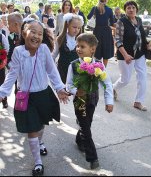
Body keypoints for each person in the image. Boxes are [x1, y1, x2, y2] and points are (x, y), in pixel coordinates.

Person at [0, 19, 69, 176]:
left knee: (40, 125)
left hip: (43, 94)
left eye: (40, 33)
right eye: (33, 32)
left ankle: (40, 141)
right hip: (26, 97)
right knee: (32, 128)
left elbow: (52, 71)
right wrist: (2, 93)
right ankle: (38, 162)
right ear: (24, 33)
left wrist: (59, 88)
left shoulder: (44, 49)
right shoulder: (18, 52)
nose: (37, 36)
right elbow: (12, 75)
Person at [66, 33, 114, 170]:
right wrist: (76, 91)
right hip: (80, 100)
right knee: (85, 128)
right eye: (77, 46)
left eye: (82, 46)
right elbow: (68, 85)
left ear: (92, 49)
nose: (78, 49)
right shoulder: (73, 65)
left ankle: (79, 139)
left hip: (93, 99)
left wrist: (109, 101)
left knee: (87, 123)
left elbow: (107, 83)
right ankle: (92, 158)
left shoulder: (99, 65)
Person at [113, 0, 151, 111]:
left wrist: (147, 43)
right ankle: (113, 88)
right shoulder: (121, 22)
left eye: (133, 7)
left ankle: (138, 101)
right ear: (125, 10)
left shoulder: (139, 20)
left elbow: (141, 35)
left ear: (136, 9)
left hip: (140, 53)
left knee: (142, 77)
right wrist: (125, 55)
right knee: (125, 79)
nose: (131, 9)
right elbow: (118, 40)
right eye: (128, 8)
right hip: (125, 55)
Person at [52, 13, 84, 84]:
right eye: (74, 27)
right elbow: (54, 55)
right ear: (67, 25)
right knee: (64, 91)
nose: (77, 30)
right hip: (62, 69)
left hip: (76, 70)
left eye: (79, 28)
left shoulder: (81, 40)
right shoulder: (60, 39)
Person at [87, 0, 114, 67]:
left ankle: (97, 71)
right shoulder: (109, 10)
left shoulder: (95, 8)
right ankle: (103, 70)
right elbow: (112, 23)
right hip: (107, 32)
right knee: (106, 52)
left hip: (97, 31)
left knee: (97, 52)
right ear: (106, 0)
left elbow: (88, 17)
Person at [0, 33, 9, 108]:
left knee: (2, 83)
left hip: (0, 65)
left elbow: (6, 48)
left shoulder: (1, 36)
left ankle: (4, 101)